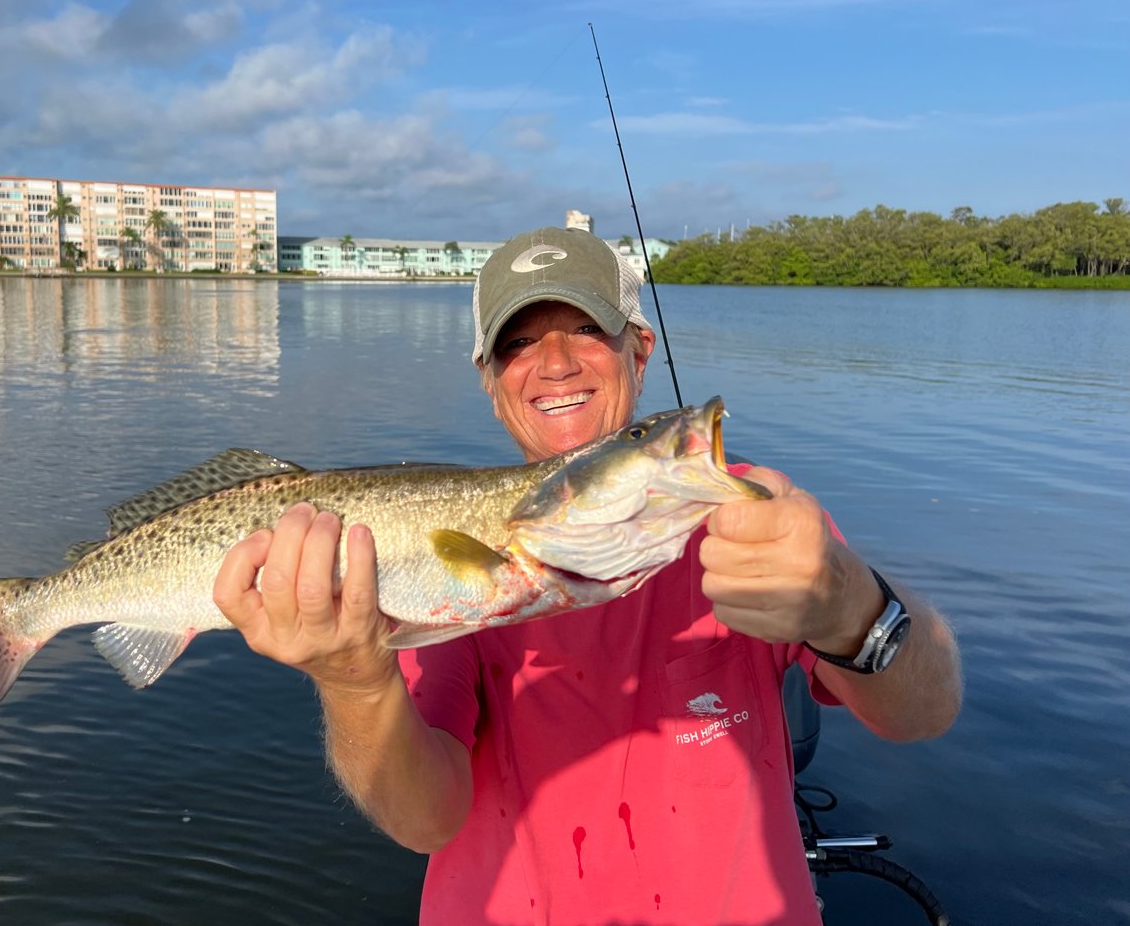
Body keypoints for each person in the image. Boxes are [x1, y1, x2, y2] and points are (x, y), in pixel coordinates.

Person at [213, 226, 963, 925]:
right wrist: (352, 681)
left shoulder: (753, 516)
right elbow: (422, 823)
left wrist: (847, 603)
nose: (556, 362)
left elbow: (922, 713)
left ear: (639, 351)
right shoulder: (457, 568)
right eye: (518, 341)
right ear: (490, 380)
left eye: (584, 330)